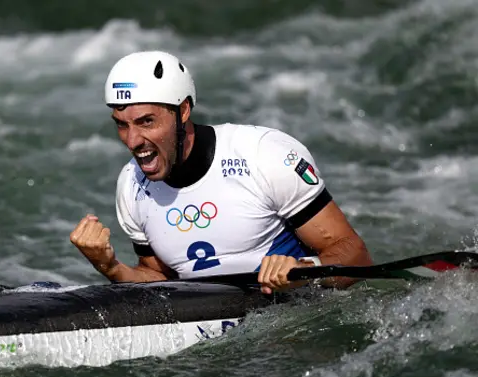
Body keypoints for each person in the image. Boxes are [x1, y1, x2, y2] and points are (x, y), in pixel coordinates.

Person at [70, 50, 373, 294]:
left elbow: (356, 256)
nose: (133, 141)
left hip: (296, 322)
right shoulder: (131, 185)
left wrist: (304, 271)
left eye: (147, 122)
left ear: (183, 111)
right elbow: (158, 281)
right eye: (122, 125)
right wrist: (110, 267)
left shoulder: (263, 155)